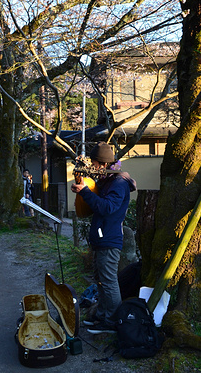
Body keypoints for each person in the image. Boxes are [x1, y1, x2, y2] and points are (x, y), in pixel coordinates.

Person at [71, 142, 137, 334]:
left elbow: (107, 208)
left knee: (108, 282)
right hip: (101, 238)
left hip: (110, 240)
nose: (92, 166)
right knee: (100, 281)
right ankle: (102, 316)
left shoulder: (118, 183)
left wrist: (84, 192)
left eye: (94, 163)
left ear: (102, 163)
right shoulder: (107, 180)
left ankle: (112, 322)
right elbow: (95, 203)